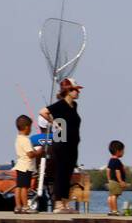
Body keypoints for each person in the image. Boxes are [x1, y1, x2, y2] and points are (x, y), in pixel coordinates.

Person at [38, 77, 83, 213]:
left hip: (73, 144)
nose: (78, 92)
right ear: (68, 91)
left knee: (68, 173)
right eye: (76, 90)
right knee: (61, 173)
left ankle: (64, 202)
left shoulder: (74, 105)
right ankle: (58, 204)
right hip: (61, 141)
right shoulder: (60, 104)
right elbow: (42, 111)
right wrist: (54, 122)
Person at [13, 115, 41, 214]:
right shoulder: (26, 140)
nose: (31, 130)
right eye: (30, 127)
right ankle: (25, 206)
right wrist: (39, 152)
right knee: (25, 187)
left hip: (20, 165)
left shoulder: (18, 139)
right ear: (26, 127)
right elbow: (30, 154)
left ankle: (17, 206)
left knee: (18, 187)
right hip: (26, 167)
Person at [106, 141, 127, 216]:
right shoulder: (117, 161)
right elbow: (117, 171)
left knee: (111, 196)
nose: (123, 153)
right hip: (116, 181)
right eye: (123, 151)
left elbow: (108, 170)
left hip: (111, 181)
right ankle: (115, 210)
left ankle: (111, 210)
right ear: (118, 151)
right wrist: (120, 181)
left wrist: (109, 180)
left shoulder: (111, 160)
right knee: (115, 196)